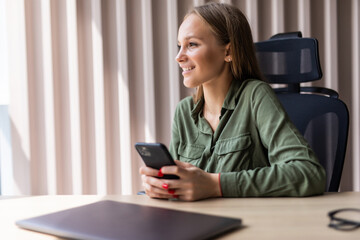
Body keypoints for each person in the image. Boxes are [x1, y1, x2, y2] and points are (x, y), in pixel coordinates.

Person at [139, 2, 326, 201]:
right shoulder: (184, 111)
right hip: (196, 226)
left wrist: (215, 185)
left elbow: (309, 173)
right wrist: (161, 187)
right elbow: (178, 183)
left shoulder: (255, 96)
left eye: (191, 44)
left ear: (228, 52)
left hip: (248, 225)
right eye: (179, 46)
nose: (178, 57)